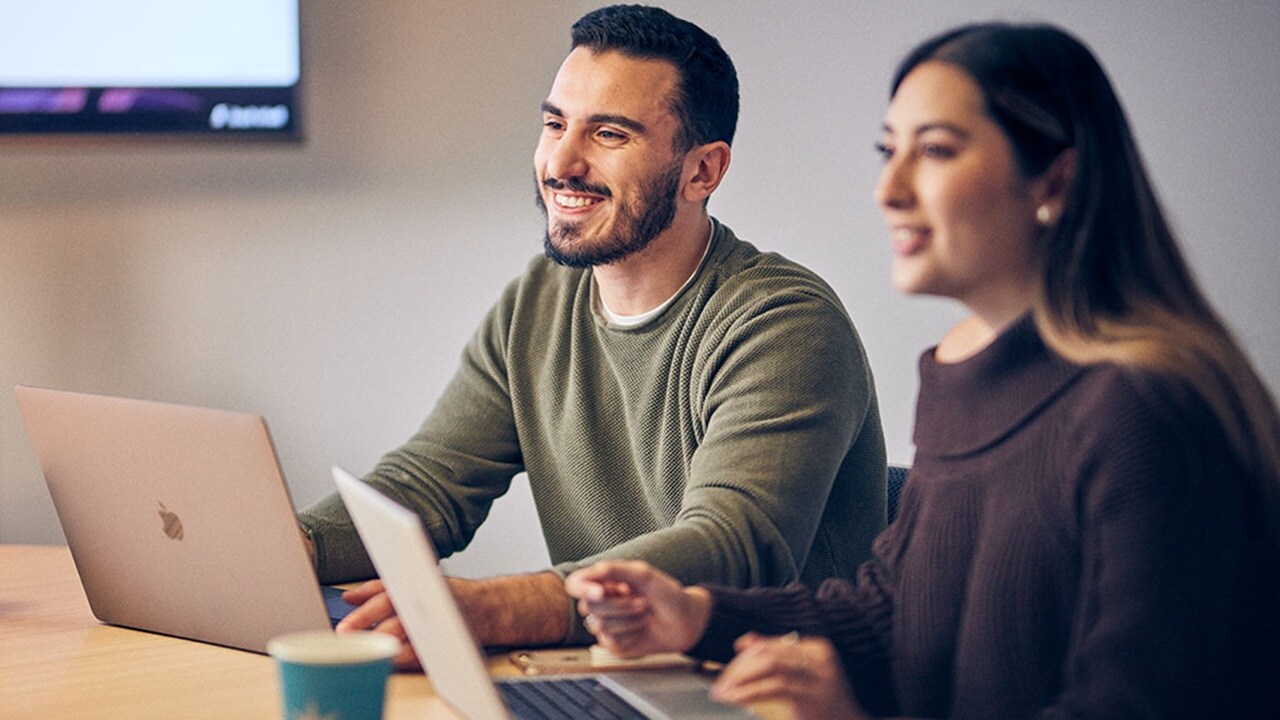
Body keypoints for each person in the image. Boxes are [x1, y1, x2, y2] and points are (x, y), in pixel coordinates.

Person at [567, 21, 1280, 719]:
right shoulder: (963, 370)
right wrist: (697, 614)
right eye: (888, 151)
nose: (889, 190)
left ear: (1055, 180)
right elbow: (895, 609)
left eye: (935, 151)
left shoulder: (1143, 410)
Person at [298, 4, 887, 664]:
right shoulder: (541, 300)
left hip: (772, 688)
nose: (562, 162)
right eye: (555, 124)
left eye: (609, 134)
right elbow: (427, 490)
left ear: (704, 171)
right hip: (622, 673)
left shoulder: (784, 322)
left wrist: (502, 607)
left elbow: (732, 545)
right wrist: (291, 547)